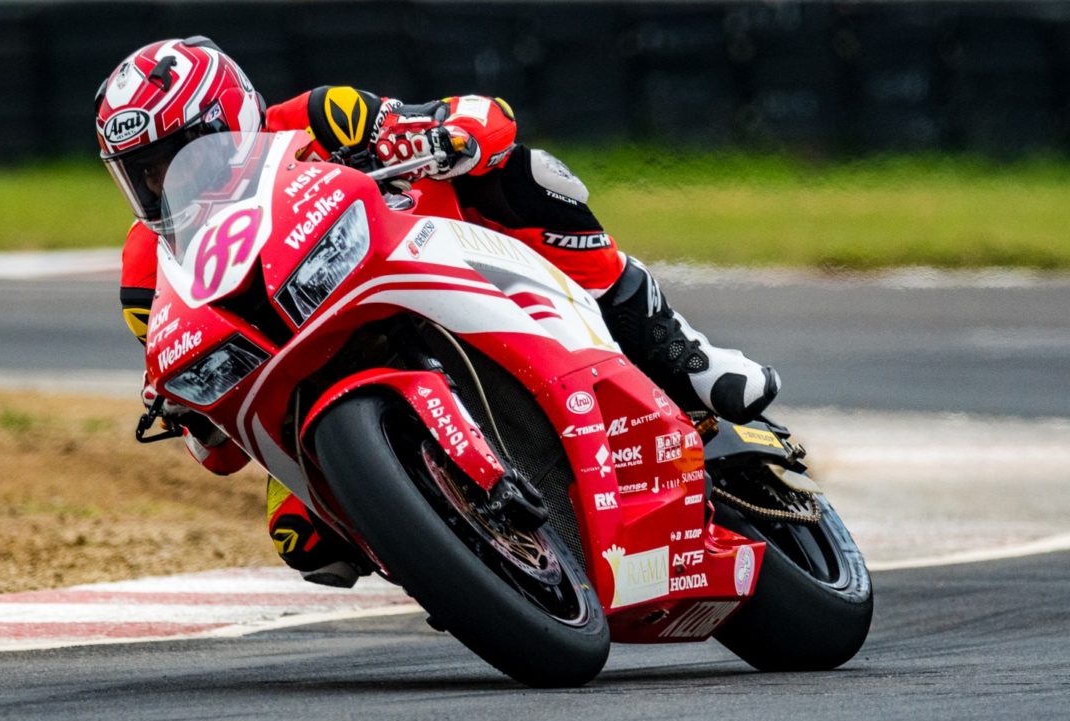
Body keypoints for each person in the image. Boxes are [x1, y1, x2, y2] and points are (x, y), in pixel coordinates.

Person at [95, 36, 780, 587]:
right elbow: (202, 415)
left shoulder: (319, 118)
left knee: (526, 173)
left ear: (235, 116)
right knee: (301, 541)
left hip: (422, 259)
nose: (168, 180)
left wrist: (444, 137)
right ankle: (464, 564)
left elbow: (486, 118)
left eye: (183, 152)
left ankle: (679, 350)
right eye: (145, 171)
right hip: (300, 376)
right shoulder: (143, 276)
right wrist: (190, 411)